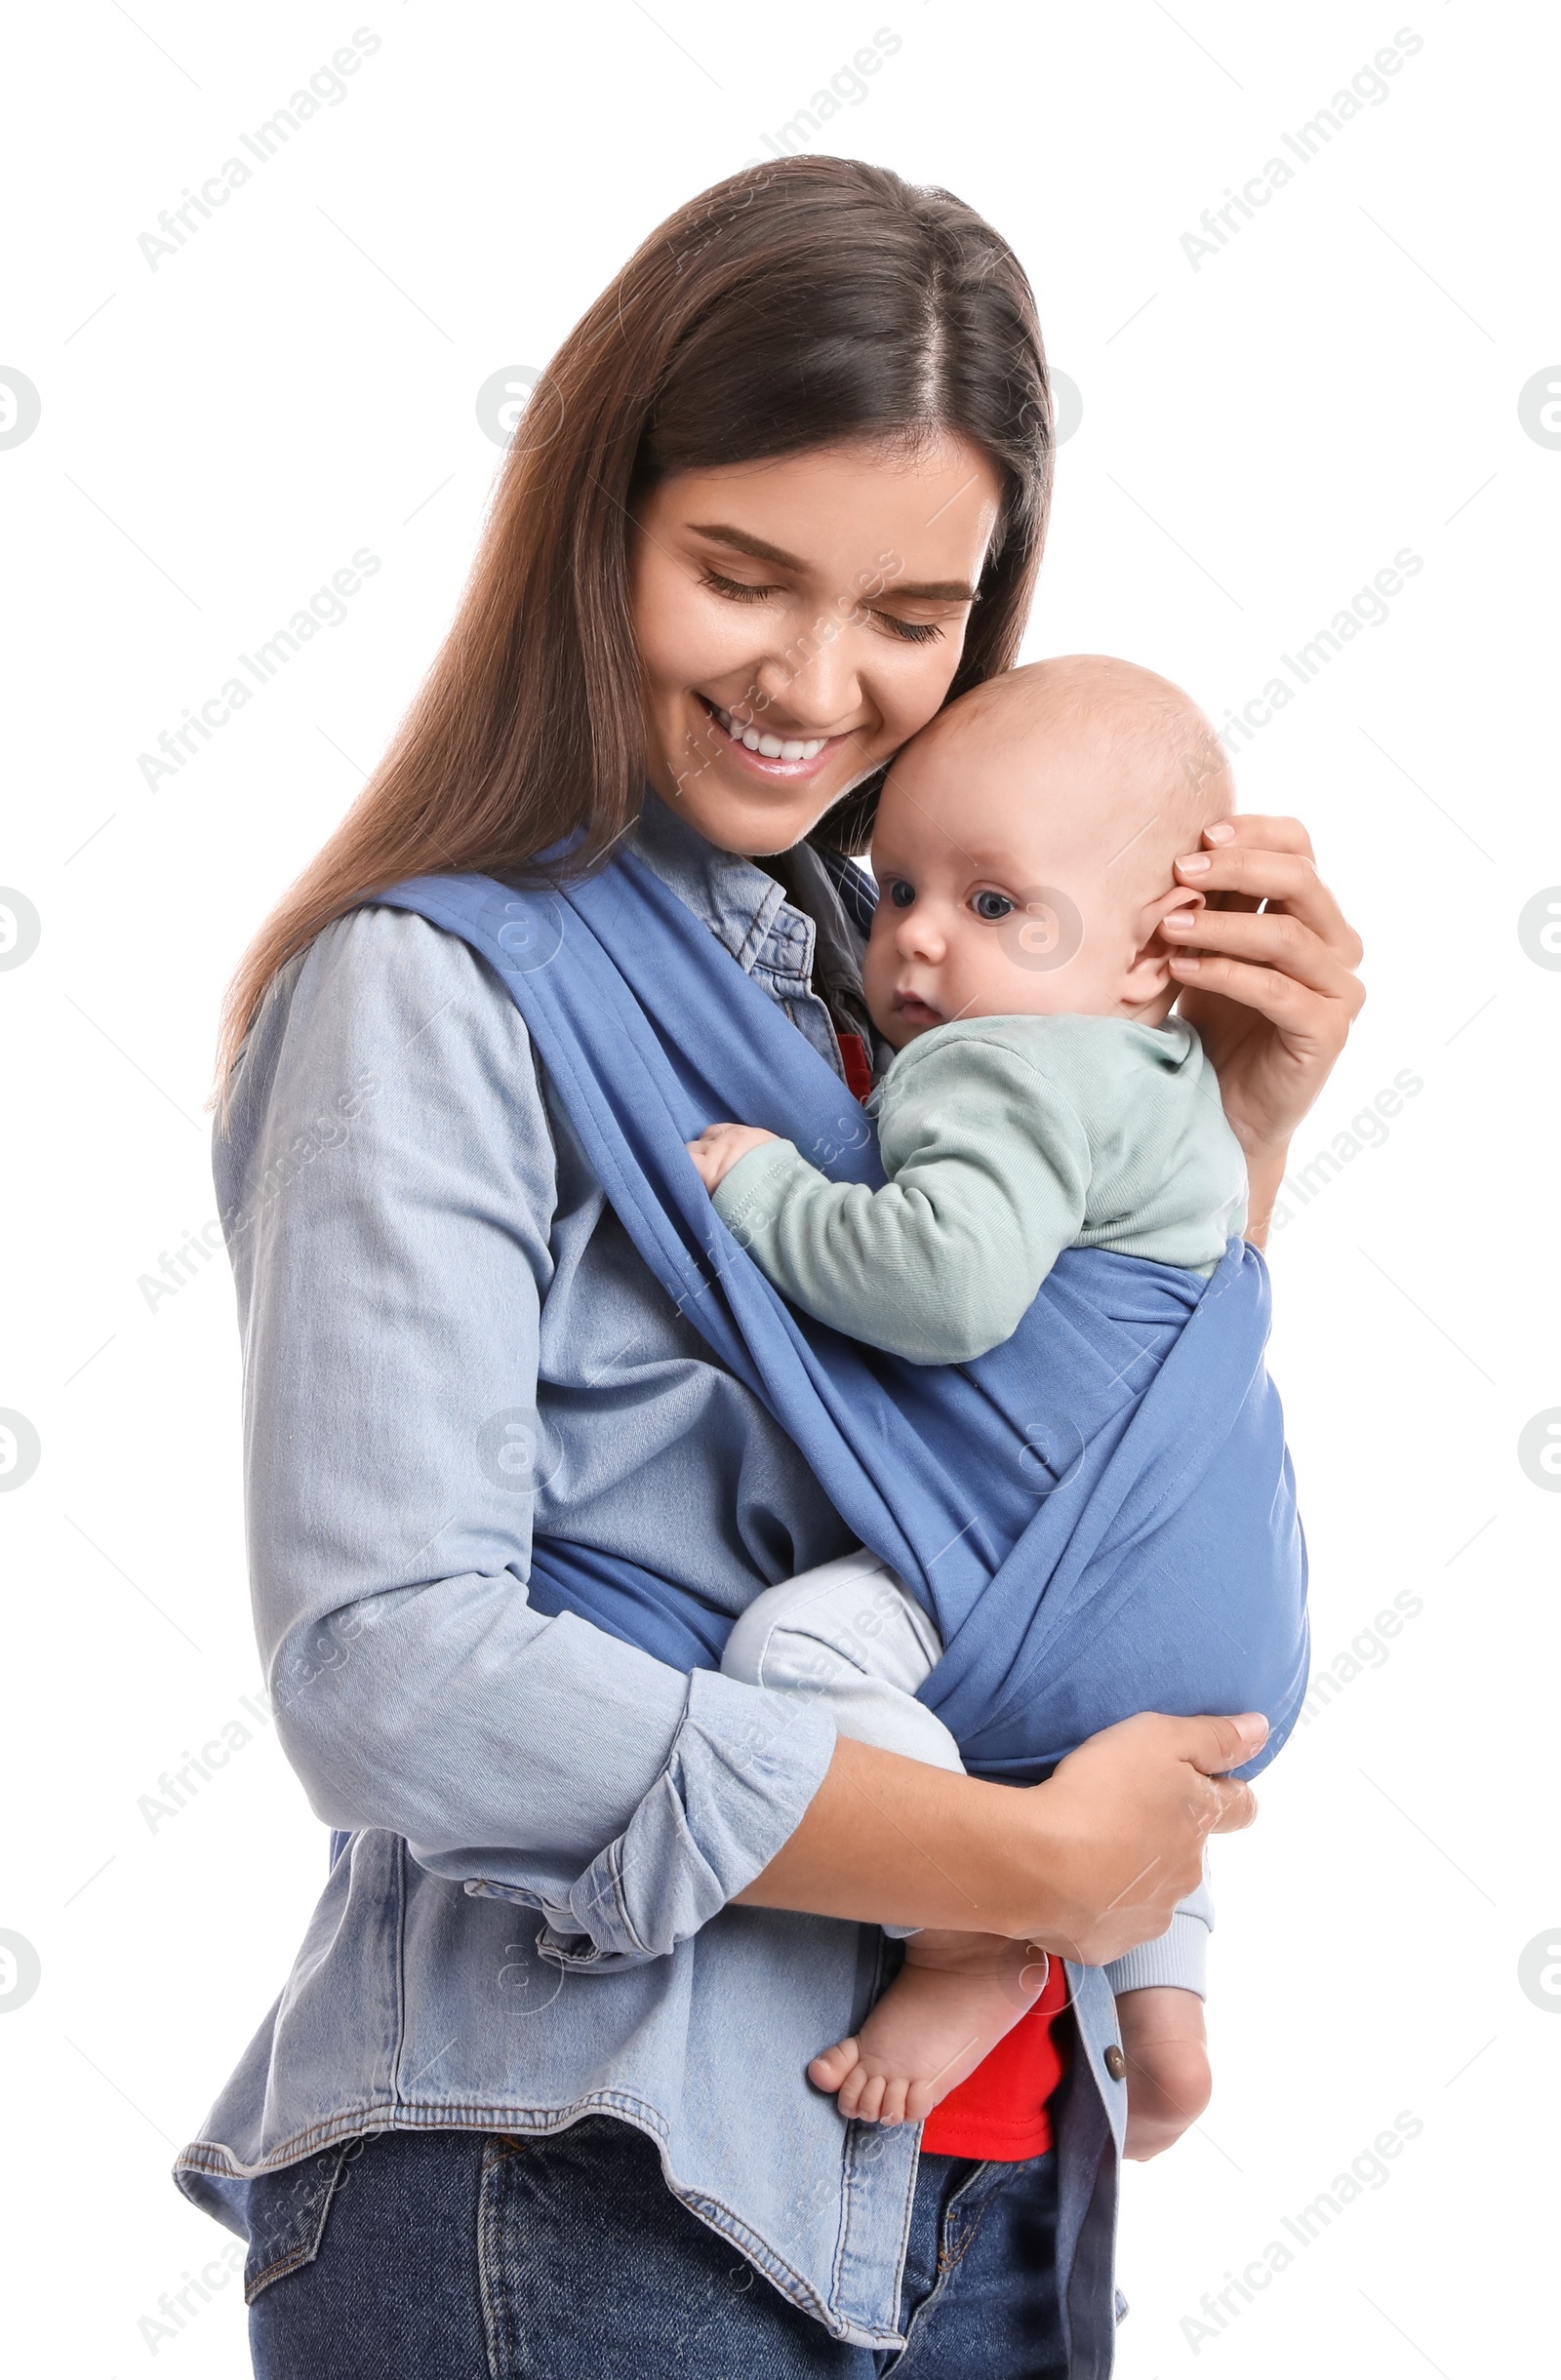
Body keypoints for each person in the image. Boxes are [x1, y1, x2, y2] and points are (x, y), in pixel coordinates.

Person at [177, 159, 1364, 2378]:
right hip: (584, 2163)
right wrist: (1023, 1869)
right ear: (591, 521)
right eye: (739, 572)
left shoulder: (906, 979)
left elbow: (1059, 1510)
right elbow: (387, 1662)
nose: (817, 681)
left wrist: (1236, 1126)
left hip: (984, 2181)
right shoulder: (429, 989)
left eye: (910, 612)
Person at [686, 654, 1300, 2132]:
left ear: (1159, 951)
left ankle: (967, 1939)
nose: (917, 946)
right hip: (1229, 1624)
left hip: (1058, 1587)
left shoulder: (1000, 1069)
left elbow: (945, 1288)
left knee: (794, 1650)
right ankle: (1162, 2004)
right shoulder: (1179, 1089)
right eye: (895, 890)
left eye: (995, 903)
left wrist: (767, 1191)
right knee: (1105, 1767)